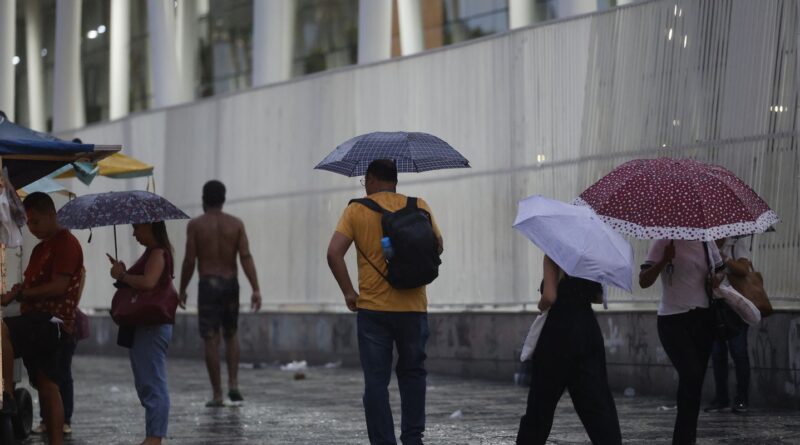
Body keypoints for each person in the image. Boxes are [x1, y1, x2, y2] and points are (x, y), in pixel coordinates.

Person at [326, 159, 443, 445]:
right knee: (413, 374)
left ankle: (383, 442)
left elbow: (333, 254)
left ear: (371, 179)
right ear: (395, 179)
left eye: (365, 182)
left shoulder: (356, 210)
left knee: (376, 382)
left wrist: (349, 292)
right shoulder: (420, 206)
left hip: (373, 310)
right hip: (413, 307)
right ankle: (413, 438)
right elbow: (438, 246)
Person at [0, 192, 84, 445]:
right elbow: (30, 284)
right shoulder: (40, 248)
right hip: (37, 319)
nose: (32, 228)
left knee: (2, 331)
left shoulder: (66, 243)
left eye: (35, 221)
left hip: (52, 322)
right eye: (29, 223)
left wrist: (25, 293)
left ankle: (7, 394)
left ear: (51, 215)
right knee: (47, 385)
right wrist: (14, 294)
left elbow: (59, 285)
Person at [516, 256, 622, 444]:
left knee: (540, 407)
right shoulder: (591, 257)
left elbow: (549, 296)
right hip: (587, 333)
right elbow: (598, 297)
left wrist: (541, 305)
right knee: (597, 405)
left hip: (557, 335)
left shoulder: (553, 254)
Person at [179, 180, 261, 407]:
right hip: (230, 283)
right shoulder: (236, 224)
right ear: (224, 199)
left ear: (204, 200)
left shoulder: (195, 225)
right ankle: (233, 384)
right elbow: (246, 257)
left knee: (210, 338)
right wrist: (255, 289)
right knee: (231, 333)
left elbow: (189, 260)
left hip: (207, 284)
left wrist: (182, 289)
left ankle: (217, 394)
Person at [640, 239, 724, 445]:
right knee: (691, 373)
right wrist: (664, 260)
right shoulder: (663, 241)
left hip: (703, 319)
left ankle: (686, 439)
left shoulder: (707, 242)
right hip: (672, 320)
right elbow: (644, 280)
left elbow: (722, 270)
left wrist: (717, 278)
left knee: (694, 383)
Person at [108, 221, 175, 445]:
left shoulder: (157, 253)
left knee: (153, 381)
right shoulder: (152, 253)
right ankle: (152, 434)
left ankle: (155, 437)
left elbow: (148, 282)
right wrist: (124, 272)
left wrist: (123, 276)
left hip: (151, 326)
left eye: (137, 227)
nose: (134, 233)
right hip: (146, 326)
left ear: (150, 226)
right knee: (147, 380)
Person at [705, 237, 752, 413]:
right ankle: (721, 398)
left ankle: (742, 399)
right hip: (715, 304)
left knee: (738, 352)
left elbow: (744, 269)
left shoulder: (735, 243)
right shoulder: (706, 243)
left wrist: (724, 258)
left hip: (735, 306)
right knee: (717, 354)